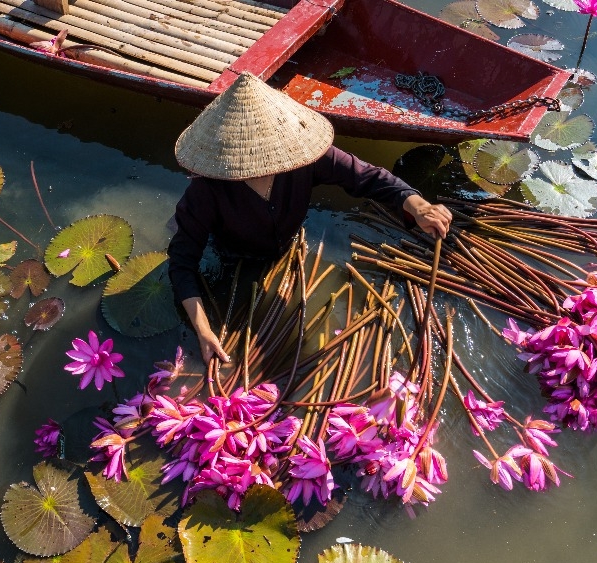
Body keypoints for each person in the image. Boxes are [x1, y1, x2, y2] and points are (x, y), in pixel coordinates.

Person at [168, 72, 452, 364]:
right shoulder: (206, 190)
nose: (262, 166)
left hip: (286, 243)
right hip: (234, 255)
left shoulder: (302, 157)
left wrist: (416, 205)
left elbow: (367, 176)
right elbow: (181, 263)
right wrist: (203, 329)